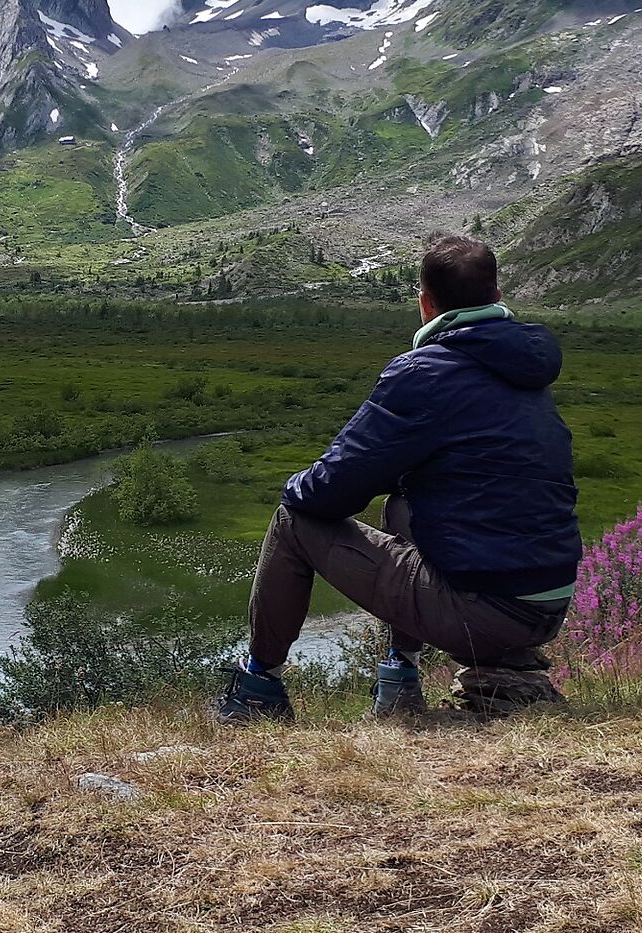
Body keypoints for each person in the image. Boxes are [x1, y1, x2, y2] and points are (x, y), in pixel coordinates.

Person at [214, 232, 582, 723]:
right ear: (497, 297)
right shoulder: (525, 371)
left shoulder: (424, 372)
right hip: (548, 605)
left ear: (425, 304)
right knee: (403, 505)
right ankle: (398, 680)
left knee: (293, 521)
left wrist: (294, 486)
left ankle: (258, 688)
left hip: (484, 613)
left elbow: (331, 491)